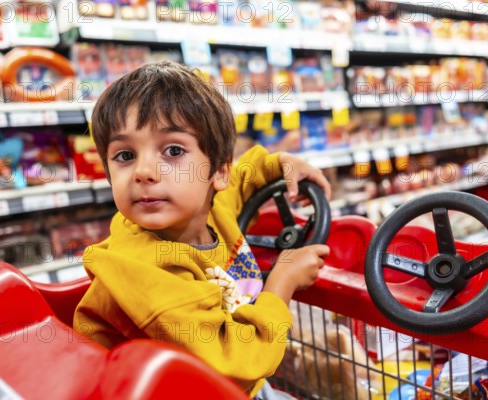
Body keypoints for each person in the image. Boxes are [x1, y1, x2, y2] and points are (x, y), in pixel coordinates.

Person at [74, 60, 331, 398]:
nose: (144, 171)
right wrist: (281, 282)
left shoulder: (210, 208)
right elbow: (232, 366)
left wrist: (281, 163)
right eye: (125, 155)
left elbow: (243, 178)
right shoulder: (142, 269)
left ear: (217, 174)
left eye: (174, 150)